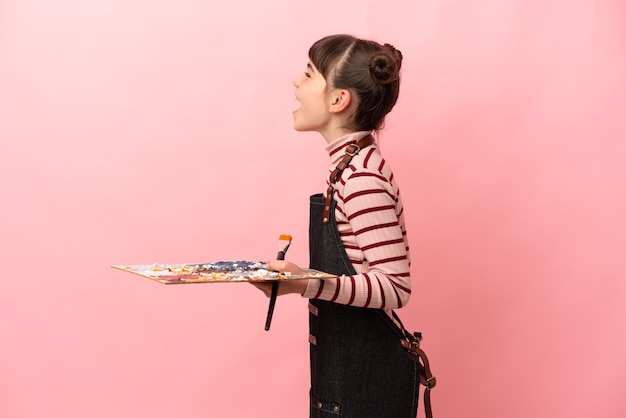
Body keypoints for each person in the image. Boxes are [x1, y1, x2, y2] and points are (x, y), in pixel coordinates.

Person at [253, 34, 421, 418]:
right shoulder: (347, 168)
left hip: (363, 391)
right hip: (343, 383)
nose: (297, 82)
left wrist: (303, 283)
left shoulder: (362, 178)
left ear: (337, 99)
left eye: (309, 74)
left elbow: (395, 287)